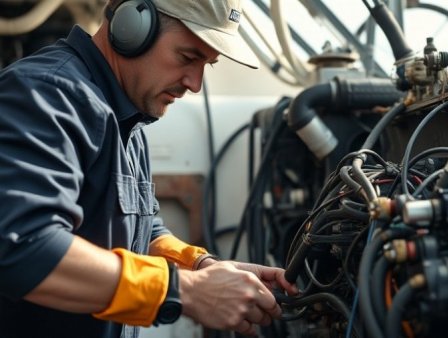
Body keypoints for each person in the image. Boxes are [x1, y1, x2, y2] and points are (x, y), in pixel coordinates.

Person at [0, 0, 297, 337]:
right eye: (187, 57)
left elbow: (141, 228)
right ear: (132, 25)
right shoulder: (47, 94)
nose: (194, 83)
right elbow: (21, 246)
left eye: (207, 65)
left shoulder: (128, 118)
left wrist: (201, 266)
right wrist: (184, 290)